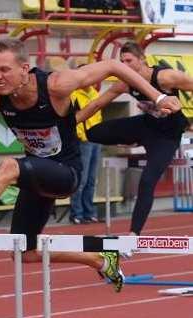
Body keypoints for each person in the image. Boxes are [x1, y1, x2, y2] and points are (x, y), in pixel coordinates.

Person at [0, 38, 180, 293]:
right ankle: (98, 259)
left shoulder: (57, 85)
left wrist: (158, 98)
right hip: (38, 177)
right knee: (24, 252)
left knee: (10, 166)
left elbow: (114, 66)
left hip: (67, 174)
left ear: (25, 69)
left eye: (5, 70)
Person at [77, 41, 192, 237]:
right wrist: (70, 123)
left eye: (129, 60)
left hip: (166, 136)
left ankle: (133, 234)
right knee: (94, 133)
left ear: (142, 60)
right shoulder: (124, 82)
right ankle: (133, 139)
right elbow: (97, 104)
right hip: (145, 126)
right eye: (121, 61)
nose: (124, 65)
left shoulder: (165, 77)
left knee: (147, 181)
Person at [69, 85, 102, 224]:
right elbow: (72, 117)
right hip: (84, 141)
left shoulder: (95, 93)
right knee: (81, 179)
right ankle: (76, 213)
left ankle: (89, 213)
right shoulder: (74, 94)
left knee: (91, 180)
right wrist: (81, 135)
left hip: (96, 140)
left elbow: (98, 116)